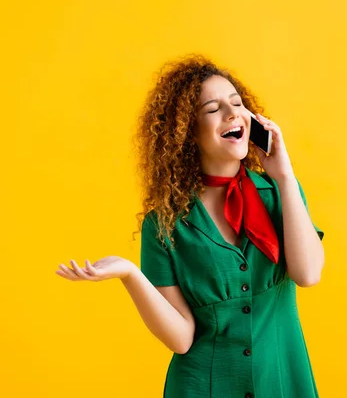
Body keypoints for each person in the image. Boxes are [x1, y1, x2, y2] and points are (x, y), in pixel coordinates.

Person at [55, 55, 325, 398]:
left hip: (283, 382)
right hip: (204, 387)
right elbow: (181, 339)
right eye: (213, 108)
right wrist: (130, 275)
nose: (232, 113)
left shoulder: (279, 194)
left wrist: (284, 176)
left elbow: (308, 274)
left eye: (237, 103)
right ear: (187, 131)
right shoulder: (164, 224)